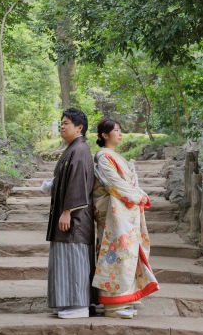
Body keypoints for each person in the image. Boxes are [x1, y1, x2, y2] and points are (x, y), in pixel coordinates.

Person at [92, 118, 159, 319]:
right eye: (116, 131)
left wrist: (138, 195)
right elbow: (113, 183)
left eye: (120, 130)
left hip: (124, 211)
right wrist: (138, 197)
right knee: (115, 254)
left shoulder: (114, 156)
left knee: (127, 254)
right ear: (104, 135)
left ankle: (126, 298)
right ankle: (112, 306)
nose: (120, 134)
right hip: (114, 213)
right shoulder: (103, 156)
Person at [44, 108, 95, 319]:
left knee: (74, 259)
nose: (62, 126)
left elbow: (78, 185)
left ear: (79, 127)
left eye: (66, 123)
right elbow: (66, 179)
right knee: (65, 259)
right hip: (68, 215)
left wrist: (67, 212)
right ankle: (67, 302)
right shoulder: (73, 149)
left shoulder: (80, 150)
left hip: (76, 218)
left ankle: (79, 304)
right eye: (61, 122)